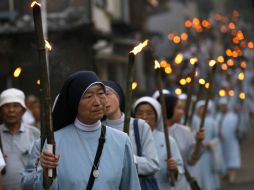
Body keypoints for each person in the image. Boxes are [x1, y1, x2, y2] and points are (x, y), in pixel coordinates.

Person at [35, 71, 141, 190]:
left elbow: (132, 186)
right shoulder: (55, 141)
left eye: (101, 93)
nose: (97, 102)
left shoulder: (121, 140)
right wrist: (46, 175)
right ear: (74, 102)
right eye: (88, 96)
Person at [102, 81, 160, 188]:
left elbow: (153, 164)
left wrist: (127, 159)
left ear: (118, 95)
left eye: (108, 94)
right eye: (100, 95)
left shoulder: (139, 126)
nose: (104, 99)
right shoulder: (99, 129)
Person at [133, 96, 190, 190]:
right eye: (139, 113)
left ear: (157, 116)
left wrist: (174, 169)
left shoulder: (167, 140)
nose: (144, 117)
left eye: (149, 113)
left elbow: (178, 171)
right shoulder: (127, 137)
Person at [0, 88, 40, 190]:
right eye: (6, 106)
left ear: (24, 111)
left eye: (16, 106)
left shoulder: (35, 133)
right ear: (1, 110)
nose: (11, 110)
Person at [191, 100, 221, 190]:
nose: (202, 110)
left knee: (208, 173)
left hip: (208, 153)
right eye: (201, 108)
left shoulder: (212, 122)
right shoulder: (193, 120)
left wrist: (211, 143)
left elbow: (216, 137)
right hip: (197, 152)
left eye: (204, 108)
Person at [215, 97, 241, 183]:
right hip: (222, 142)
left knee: (232, 157)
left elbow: (238, 130)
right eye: (221, 106)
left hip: (232, 141)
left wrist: (238, 130)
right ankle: (225, 174)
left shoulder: (233, 116)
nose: (223, 107)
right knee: (223, 158)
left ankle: (232, 177)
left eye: (224, 105)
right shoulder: (218, 116)